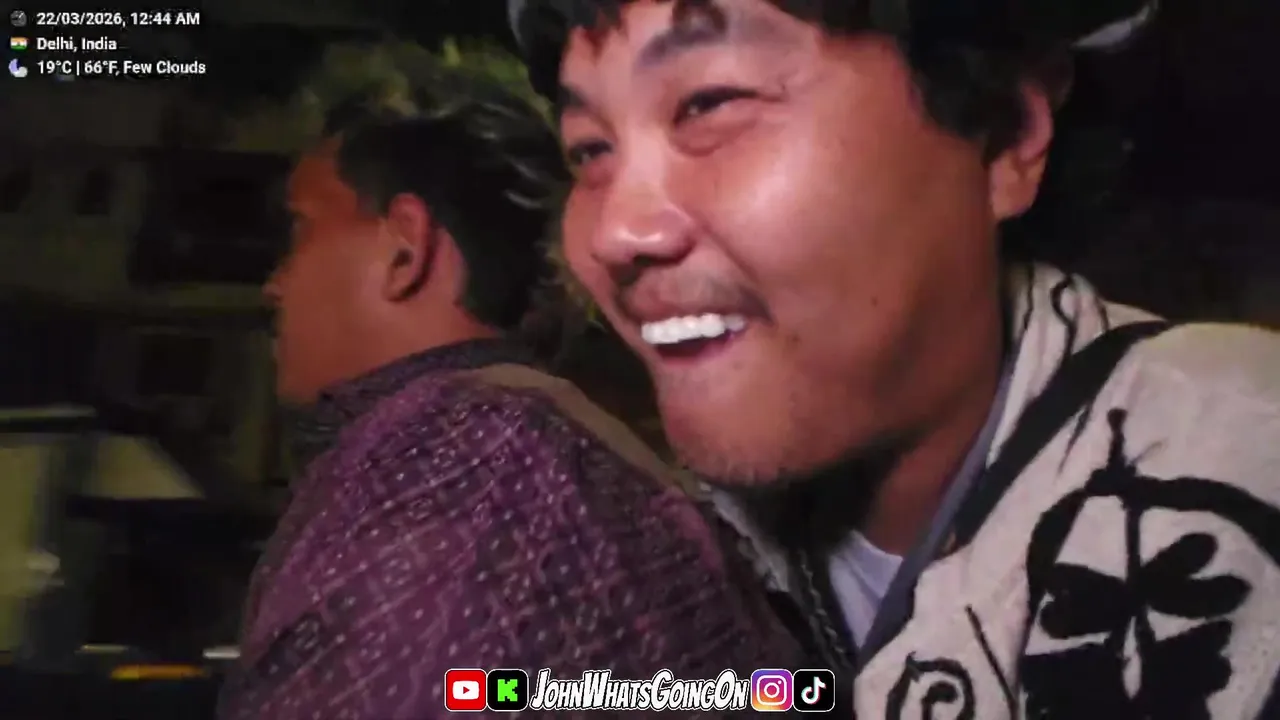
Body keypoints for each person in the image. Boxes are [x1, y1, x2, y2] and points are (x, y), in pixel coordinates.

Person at [509, 0, 1280, 716]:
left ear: (1006, 138)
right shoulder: (642, 546)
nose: (614, 234)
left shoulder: (1235, 448)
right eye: (590, 149)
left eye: (708, 103)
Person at [217, 51, 804, 720]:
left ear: (406, 248)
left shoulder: (452, 469)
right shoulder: (525, 449)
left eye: (300, 230)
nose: (274, 285)